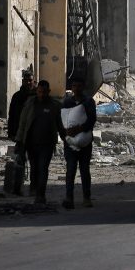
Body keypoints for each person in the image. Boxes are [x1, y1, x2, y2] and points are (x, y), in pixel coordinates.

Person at [15, 80, 61, 204]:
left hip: (47, 144)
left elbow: (60, 124)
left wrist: (67, 140)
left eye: (44, 92)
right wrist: (19, 141)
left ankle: (41, 194)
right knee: (34, 168)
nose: (42, 94)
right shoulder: (30, 103)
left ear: (49, 92)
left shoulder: (55, 105)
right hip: (31, 143)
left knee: (43, 168)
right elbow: (23, 123)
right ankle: (34, 189)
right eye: (39, 92)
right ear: (37, 91)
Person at [61, 77, 97, 209]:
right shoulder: (67, 102)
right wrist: (66, 134)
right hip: (70, 143)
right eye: (74, 86)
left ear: (83, 87)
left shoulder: (88, 101)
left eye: (79, 86)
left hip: (85, 143)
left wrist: (79, 129)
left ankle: (86, 198)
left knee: (84, 170)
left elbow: (92, 119)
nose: (76, 88)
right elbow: (62, 120)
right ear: (72, 87)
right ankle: (69, 198)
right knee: (70, 170)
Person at [7, 70, 35, 196]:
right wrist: (11, 133)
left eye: (30, 80)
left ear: (33, 81)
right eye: (26, 80)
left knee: (35, 163)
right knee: (19, 161)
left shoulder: (37, 96)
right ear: (23, 81)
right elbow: (12, 116)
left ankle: (34, 189)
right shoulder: (17, 96)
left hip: (35, 135)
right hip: (20, 135)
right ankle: (17, 188)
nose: (28, 82)